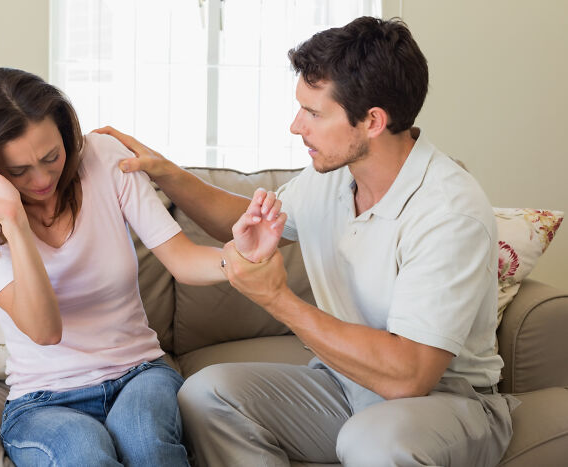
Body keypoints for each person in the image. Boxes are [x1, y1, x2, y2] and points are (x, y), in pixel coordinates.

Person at [95, 16, 519, 467]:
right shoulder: (333, 179)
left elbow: (409, 376)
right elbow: (244, 222)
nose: (296, 126)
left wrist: (278, 299)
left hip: (446, 403)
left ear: (373, 121)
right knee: (204, 394)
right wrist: (166, 173)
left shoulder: (449, 211)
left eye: (314, 113)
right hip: (345, 385)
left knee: (373, 441)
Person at [0, 67, 285, 467]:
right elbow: (45, 331)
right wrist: (13, 220)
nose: (43, 178)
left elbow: (181, 258)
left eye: (52, 157)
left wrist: (242, 255)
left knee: (147, 443)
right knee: (84, 456)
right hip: (43, 399)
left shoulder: (104, 157)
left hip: (139, 373)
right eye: (19, 171)